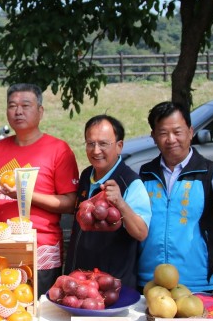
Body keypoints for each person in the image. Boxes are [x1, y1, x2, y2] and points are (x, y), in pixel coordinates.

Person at [139, 101, 213, 292]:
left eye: (177, 132)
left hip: (197, 283)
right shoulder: (145, 174)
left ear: (190, 132)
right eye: (163, 133)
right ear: (153, 137)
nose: (171, 139)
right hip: (149, 281)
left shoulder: (212, 172)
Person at [0, 83, 79, 294]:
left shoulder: (58, 150)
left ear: (40, 111)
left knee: (40, 314)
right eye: (12, 105)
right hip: (0, 245)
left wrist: (25, 195)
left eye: (25, 105)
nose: (18, 111)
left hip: (41, 247)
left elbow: (71, 203)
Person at [65, 115, 151, 290]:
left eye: (103, 144)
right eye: (90, 143)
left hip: (112, 287)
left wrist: (120, 203)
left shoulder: (130, 182)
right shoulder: (86, 175)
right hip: (80, 282)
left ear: (119, 146)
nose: (96, 150)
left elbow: (141, 232)